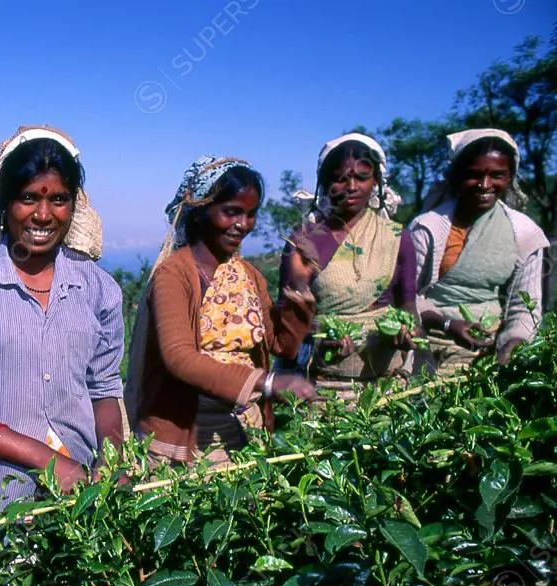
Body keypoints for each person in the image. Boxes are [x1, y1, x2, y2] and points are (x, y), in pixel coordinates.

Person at [0, 126, 125, 535]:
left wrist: (112, 458)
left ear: (74, 207)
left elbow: (103, 389)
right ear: (4, 204)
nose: (44, 215)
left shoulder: (99, 290)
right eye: (28, 198)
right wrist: (46, 459)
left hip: (79, 499)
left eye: (58, 200)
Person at [124, 156, 316, 466]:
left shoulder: (248, 276)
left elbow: (280, 346)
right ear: (200, 212)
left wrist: (298, 288)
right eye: (231, 212)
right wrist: (265, 383)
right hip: (183, 436)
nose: (243, 225)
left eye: (251, 214)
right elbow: (179, 357)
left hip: (244, 432)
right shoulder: (175, 275)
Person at [281, 134, 421, 400]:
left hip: (386, 385)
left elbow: (408, 301)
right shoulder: (303, 242)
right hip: (324, 387)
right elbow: (286, 321)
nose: (351, 187)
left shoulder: (395, 237)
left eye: (361, 177)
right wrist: (319, 342)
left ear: (376, 181)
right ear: (325, 184)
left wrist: (409, 329)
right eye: (340, 179)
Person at [410, 128, 549, 374]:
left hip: (487, 354)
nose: (485, 185)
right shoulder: (428, 228)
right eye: (473, 175)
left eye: (498, 175)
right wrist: (447, 324)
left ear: (510, 178)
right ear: (457, 176)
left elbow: (525, 306)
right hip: (425, 346)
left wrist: (512, 345)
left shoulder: (525, 234)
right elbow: (405, 297)